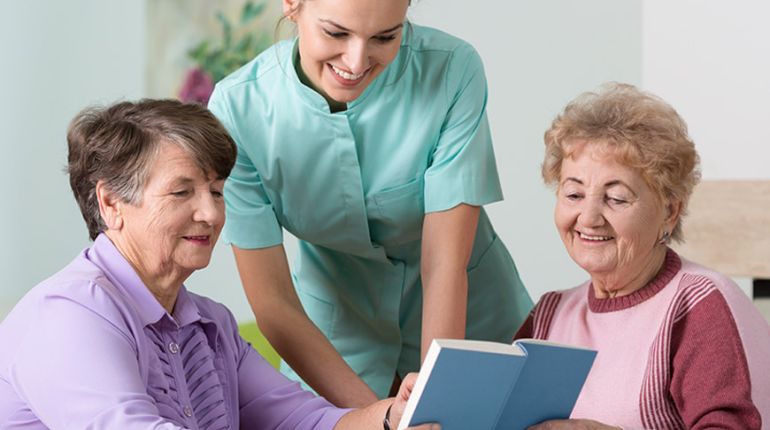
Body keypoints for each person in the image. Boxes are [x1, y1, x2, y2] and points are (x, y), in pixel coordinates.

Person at [0, 99, 436, 430]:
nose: (210, 214)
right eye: (181, 192)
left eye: (216, 191)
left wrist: (390, 417)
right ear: (111, 203)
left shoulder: (211, 325)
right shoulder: (69, 314)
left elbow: (303, 419)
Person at [207, 0, 533, 407]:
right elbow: (273, 301)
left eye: (385, 37)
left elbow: (444, 265)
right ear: (291, 5)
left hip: (464, 319)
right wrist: (379, 419)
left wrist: (437, 397)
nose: (357, 61)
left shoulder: (452, 70)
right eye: (336, 33)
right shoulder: (237, 111)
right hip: (334, 332)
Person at [517, 83, 770, 429]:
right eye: (574, 194)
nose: (588, 218)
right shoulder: (549, 315)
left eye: (616, 198)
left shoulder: (697, 305)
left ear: (669, 211)